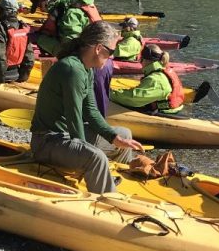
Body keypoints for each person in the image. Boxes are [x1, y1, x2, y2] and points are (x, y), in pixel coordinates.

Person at [29, 21, 143, 193]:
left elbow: (90, 110)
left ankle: (121, 182)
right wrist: (83, 151)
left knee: (123, 134)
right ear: (98, 48)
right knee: (95, 156)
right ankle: (107, 199)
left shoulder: (87, 68)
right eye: (110, 52)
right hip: (47, 142)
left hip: (65, 137)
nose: (111, 57)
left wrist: (113, 137)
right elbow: (74, 117)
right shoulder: (71, 69)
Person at [110, 44, 184, 115]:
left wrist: (109, 93)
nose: (140, 63)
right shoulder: (162, 71)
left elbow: (133, 99)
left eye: (141, 60)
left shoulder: (155, 80)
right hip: (174, 109)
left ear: (146, 60)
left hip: (164, 113)